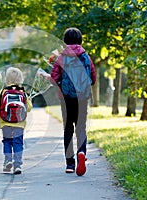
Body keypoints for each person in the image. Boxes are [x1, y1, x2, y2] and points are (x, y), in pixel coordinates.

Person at [50, 27, 96, 176]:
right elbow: (93, 78)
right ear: (80, 40)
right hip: (82, 97)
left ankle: (70, 163)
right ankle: (81, 152)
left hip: (66, 98)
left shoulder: (62, 57)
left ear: (65, 40)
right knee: (81, 127)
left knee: (68, 128)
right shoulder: (85, 56)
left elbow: (54, 79)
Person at [0, 67, 32, 174]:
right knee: (18, 142)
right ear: (20, 79)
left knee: (7, 142)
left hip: (5, 122)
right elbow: (29, 107)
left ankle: (8, 161)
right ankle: (17, 165)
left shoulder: (3, 91)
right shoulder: (22, 92)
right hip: (19, 123)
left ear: (6, 79)